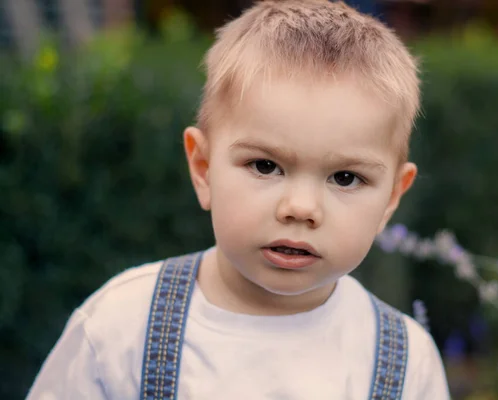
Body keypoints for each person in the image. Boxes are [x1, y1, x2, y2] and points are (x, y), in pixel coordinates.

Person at [26, 1, 450, 399]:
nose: (300, 208)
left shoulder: (405, 362)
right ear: (204, 167)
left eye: (345, 177)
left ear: (392, 197)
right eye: (265, 166)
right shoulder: (119, 327)